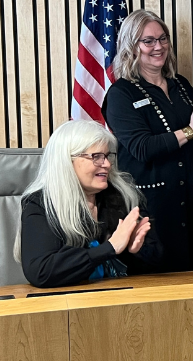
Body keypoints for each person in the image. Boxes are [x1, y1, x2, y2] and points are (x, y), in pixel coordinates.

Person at [103, 9, 193, 272]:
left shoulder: (180, 85)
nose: (159, 46)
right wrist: (192, 129)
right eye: (148, 41)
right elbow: (142, 148)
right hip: (155, 208)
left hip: (192, 202)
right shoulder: (121, 94)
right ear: (131, 46)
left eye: (163, 39)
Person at [19, 120, 165, 288]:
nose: (108, 164)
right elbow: (41, 272)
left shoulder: (124, 195)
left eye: (107, 156)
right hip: (68, 305)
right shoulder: (41, 203)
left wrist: (136, 251)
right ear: (67, 160)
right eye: (96, 157)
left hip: (123, 302)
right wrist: (109, 248)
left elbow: (159, 261)